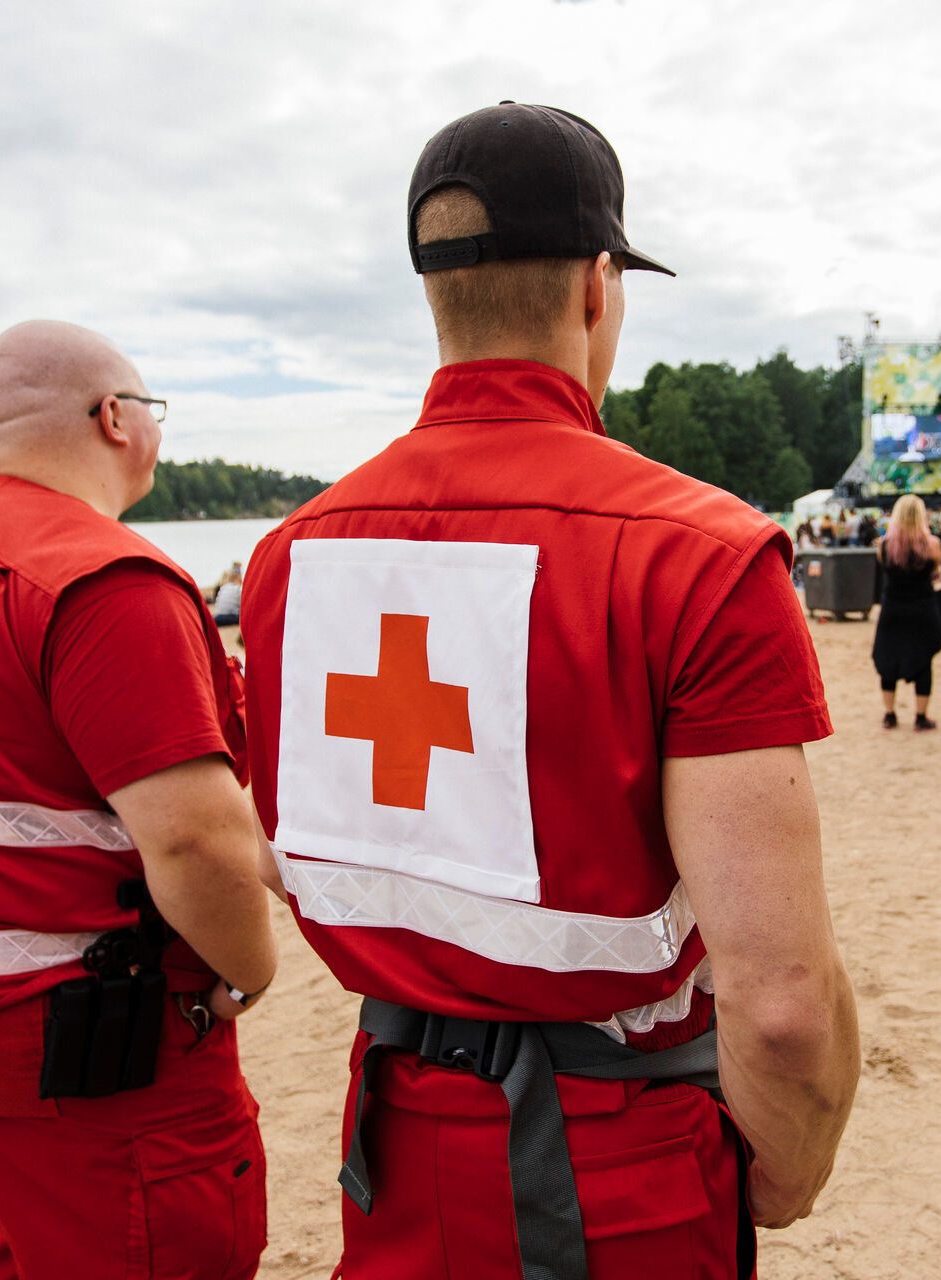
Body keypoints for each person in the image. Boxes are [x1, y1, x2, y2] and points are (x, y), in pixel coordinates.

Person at [238, 104, 858, 1280]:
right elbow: (781, 1002)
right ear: (597, 286)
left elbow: (286, 845)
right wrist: (791, 1163)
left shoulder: (287, 559)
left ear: (436, 298)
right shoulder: (701, 555)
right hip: (619, 1164)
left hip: (394, 1136)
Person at [0, 320, 278, 1280]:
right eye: (152, 411)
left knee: (20, 1248)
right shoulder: (104, 581)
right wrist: (248, 971)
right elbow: (191, 841)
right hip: (83, 1030)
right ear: (115, 418)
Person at [872, 494, 941, 731]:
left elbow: (884, 571)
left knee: (887, 658)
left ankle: (889, 714)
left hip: (893, 607)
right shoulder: (932, 544)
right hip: (922, 607)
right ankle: (921, 716)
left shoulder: (884, 545)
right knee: (923, 659)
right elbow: (936, 572)